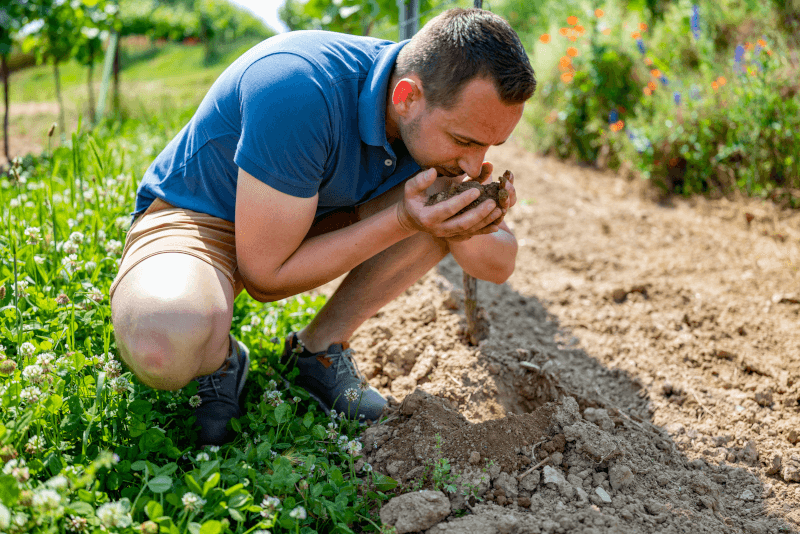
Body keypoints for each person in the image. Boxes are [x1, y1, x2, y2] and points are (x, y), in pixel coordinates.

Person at [109, 7, 536, 445]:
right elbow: (265, 279)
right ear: (408, 97)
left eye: (490, 144)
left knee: (440, 207)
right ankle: (218, 360)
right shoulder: (299, 84)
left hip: (315, 218)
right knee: (162, 343)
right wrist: (402, 219)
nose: (473, 162)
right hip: (201, 220)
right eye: (465, 140)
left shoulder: (436, 130)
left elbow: (499, 266)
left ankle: (317, 354)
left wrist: (478, 220)